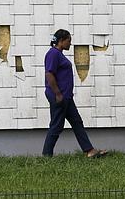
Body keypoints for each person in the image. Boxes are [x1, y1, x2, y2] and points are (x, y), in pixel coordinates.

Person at [42, 29, 107, 158]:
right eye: (68, 41)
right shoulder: (53, 54)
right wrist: (58, 94)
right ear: (61, 41)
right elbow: (49, 74)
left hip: (66, 97)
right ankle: (46, 155)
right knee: (56, 126)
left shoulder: (59, 54)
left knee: (77, 122)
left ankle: (89, 151)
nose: (70, 44)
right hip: (59, 97)